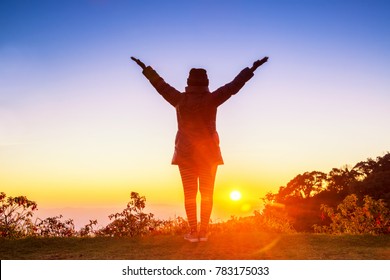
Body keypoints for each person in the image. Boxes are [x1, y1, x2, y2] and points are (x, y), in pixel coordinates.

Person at [131, 56, 268, 242]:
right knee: (207, 194)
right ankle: (203, 232)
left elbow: (160, 86)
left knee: (189, 194)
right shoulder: (212, 99)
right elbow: (233, 86)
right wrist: (252, 68)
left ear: (188, 82)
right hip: (209, 156)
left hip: (185, 155)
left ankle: (193, 232)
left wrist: (146, 69)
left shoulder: (178, 99)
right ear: (207, 82)